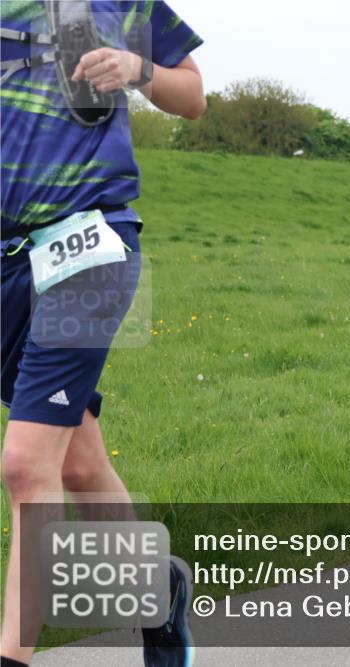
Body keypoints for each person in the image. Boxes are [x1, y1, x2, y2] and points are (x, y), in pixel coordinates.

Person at [1, 2, 206, 665]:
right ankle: (160, 589)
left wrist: (137, 67)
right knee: (80, 464)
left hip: (87, 244)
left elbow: (193, 95)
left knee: (26, 467)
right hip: (4, 263)